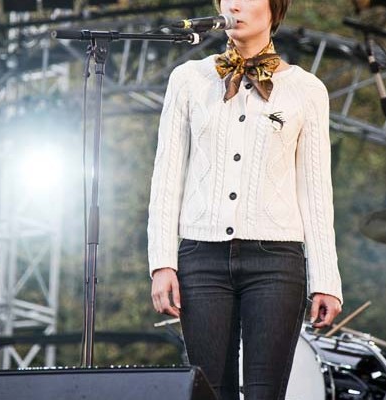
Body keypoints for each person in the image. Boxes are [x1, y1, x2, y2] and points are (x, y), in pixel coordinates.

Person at [147, 0, 343, 399]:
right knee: (210, 393)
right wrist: (161, 262)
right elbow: (167, 176)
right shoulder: (188, 79)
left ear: (274, 9)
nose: (234, 4)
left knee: (264, 393)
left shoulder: (307, 90)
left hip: (276, 260)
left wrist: (326, 279)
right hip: (201, 259)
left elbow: (316, 190)